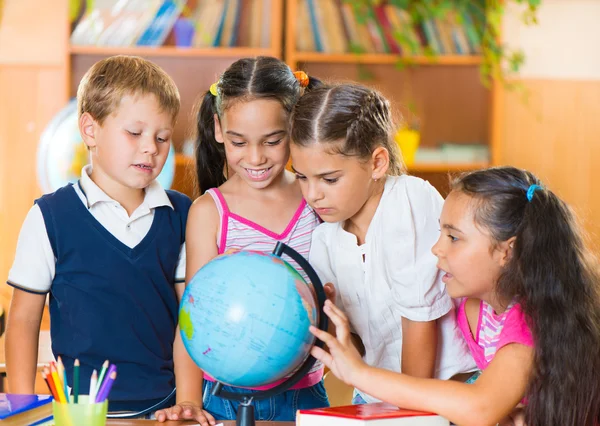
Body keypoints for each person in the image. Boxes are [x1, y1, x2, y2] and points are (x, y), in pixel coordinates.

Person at [310, 166, 600, 426]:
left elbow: (480, 407)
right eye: (440, 233)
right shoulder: (478, 304)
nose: (436, 248)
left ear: (506, 252)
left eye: (453, 237)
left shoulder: (529, 324)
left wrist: (359, 373)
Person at [5, 55, 191, 414]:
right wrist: (22, 407)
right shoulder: (49, 217)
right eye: (135, 133)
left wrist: (186, 402)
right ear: (90, 130)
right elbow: (24, 320)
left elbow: (192, 321)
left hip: (164, 410)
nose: (151, 147)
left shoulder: (183, 215)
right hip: (79, 413)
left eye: (163, 137)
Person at [156, 56, 327, 425]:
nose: (255, 157)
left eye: (272, 140)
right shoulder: (210, 212)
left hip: (305, 392)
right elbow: (193, 319)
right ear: (218, 128)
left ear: (294, 126)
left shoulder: (316, 198)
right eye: (239, 141)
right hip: (223, 400)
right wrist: (188, 401)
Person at [289, 83, 477, 404]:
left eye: (329, 179)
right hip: (380, 392)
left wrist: (405, 412)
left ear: (377, 163)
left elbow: (420, 322)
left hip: (442, 390)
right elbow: (356, 343)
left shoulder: (408, 201)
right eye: (302, 177)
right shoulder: (325, 237)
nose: (312, 194)